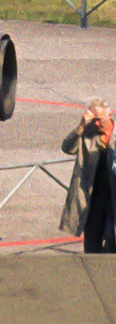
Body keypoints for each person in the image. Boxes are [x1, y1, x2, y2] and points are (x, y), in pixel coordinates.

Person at [61, 99, 115, 253]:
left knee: (112, 243)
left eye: (100, 119)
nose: (97, 124)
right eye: (94, 120)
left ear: (109, 115)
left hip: (113, 197)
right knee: (92, 243)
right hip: (94, 197)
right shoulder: (88, 133)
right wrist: (81, 126)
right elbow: (67, 148)